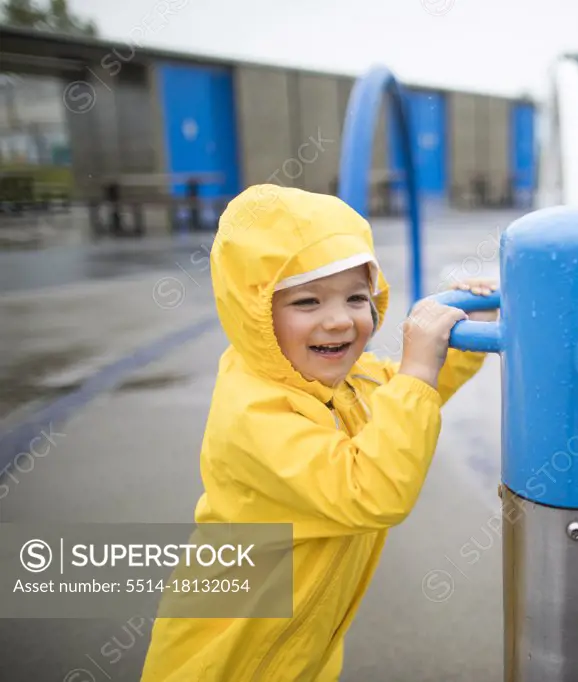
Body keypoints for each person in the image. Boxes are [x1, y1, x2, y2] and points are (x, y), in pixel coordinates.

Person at [140, 184, 496, 681]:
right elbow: (370, 491)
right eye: (307, 301)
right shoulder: (254, 415)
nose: (338, 321)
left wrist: (454, 347)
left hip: (298, 652)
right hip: (227, 663)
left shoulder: (347, 379)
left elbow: (405, 396)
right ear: (257, 314)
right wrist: (416, 372)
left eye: (356, 297)